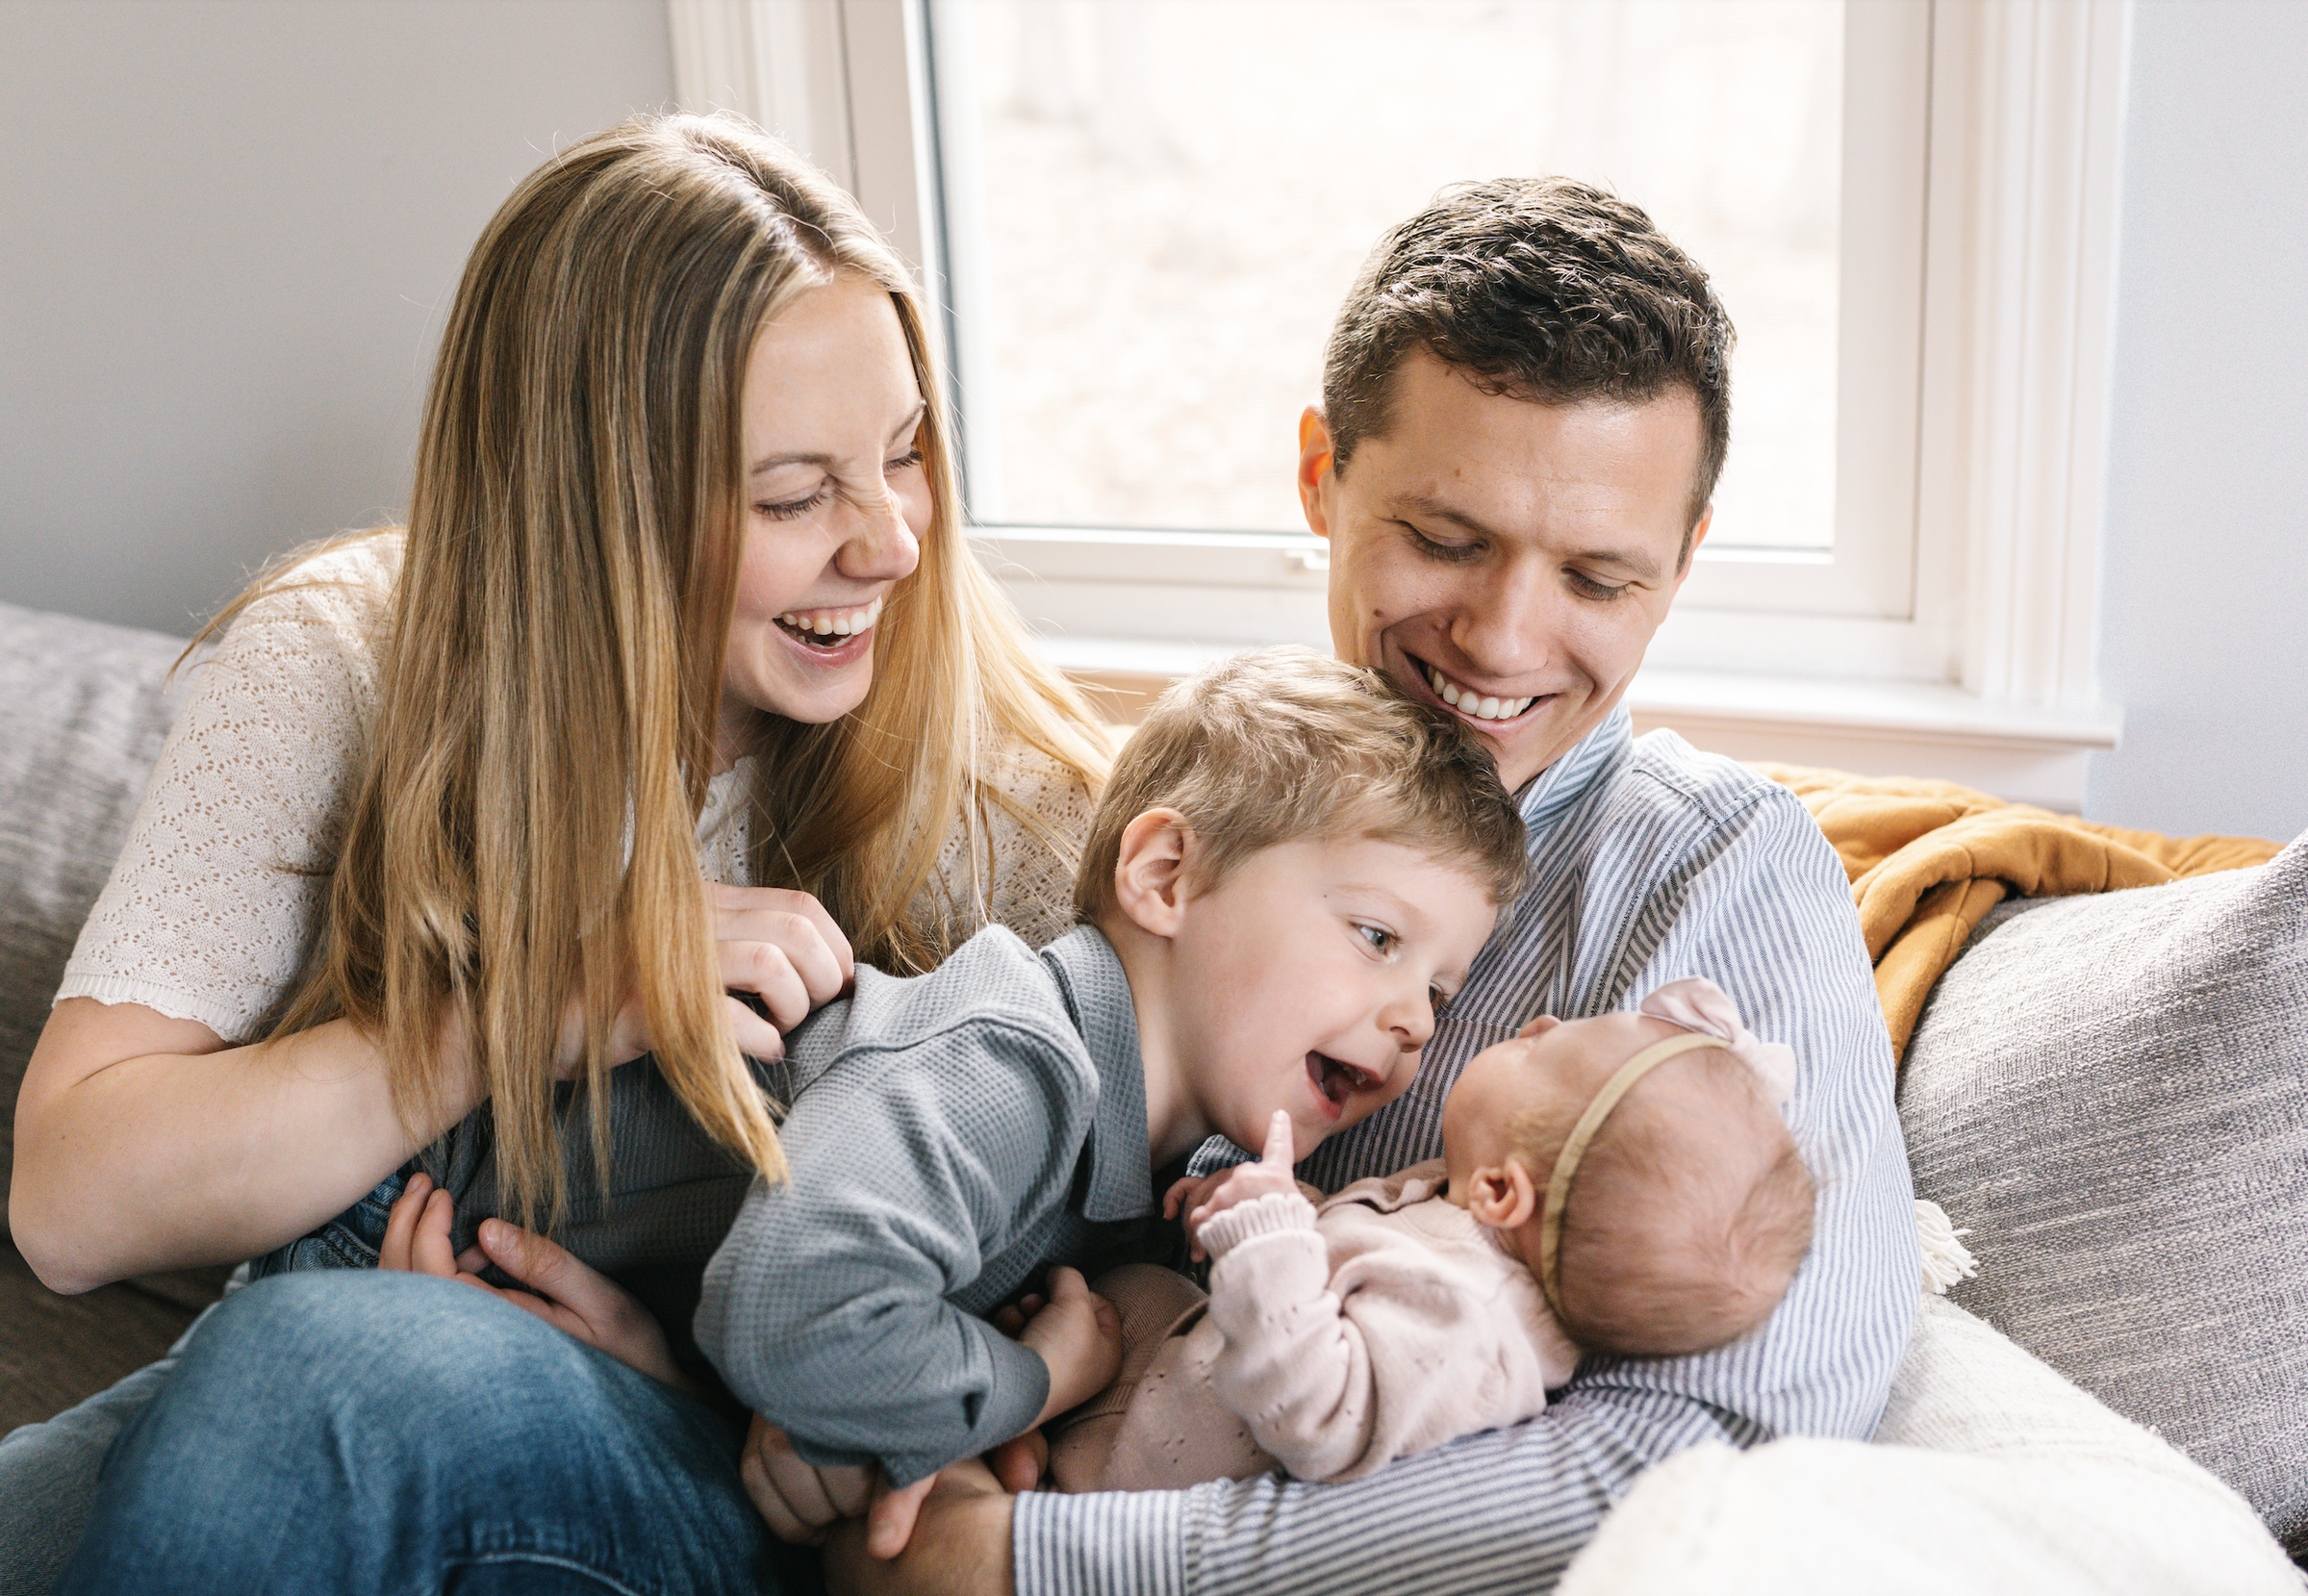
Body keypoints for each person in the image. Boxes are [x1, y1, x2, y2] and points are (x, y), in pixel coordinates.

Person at [0, 113, 1107, 1596]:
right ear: (591, 503)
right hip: (296, 1374)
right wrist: (540, 1009)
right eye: (796, 495)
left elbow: (1117, 1279)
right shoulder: (351, 654)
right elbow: (78, 1197)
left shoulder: (999, 800)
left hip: (658, 1454)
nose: (893, 545)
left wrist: (691, 1377)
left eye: (907, 457)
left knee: (317, 1376)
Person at [825, 179, 1920, 1596]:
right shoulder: (1187, 811)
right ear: (1320, 475)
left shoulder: (1718, 869)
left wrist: (1039, 1561)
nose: (1505, 636)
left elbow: (1719, 1453)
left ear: (1685, 559)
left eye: (1598, 574)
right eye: (1449, 540)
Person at [695, 646, 1524, 1553]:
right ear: (1166, 875)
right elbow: (787, 1312)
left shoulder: (1158, 1180)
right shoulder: (1014, 1058)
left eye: (1440, 994)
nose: (1414, 1022)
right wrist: (1047, 1375)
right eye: (1377, 936)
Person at [1047, 975, 1813, 1493]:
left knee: (1078, 1319)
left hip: (1135, 1477)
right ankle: (1038, 1398)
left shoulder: (1468, 1324)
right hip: (1174, 1372)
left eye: (1540, 1048)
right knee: (1127, 1290)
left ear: (1502, 1189)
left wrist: (1267, 1236)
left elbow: (1315, 1408)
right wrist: (1279, 1204)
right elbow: (1352, 1264)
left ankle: (1008, 1456)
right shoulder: (1454, 1213)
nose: (1538, 1021)